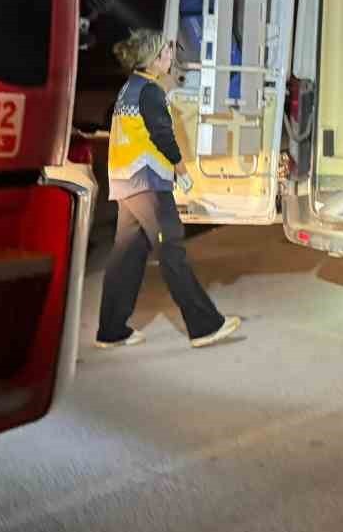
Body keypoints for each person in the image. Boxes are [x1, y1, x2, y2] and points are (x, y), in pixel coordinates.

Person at [95, 28, 242, 350]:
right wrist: (181, 170)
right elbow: (162, 135)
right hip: (147, 183)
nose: (169, 57)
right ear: (151, 58)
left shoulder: (129, 89)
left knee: (127, 256)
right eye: (164, 53)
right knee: (171, 249)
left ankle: (111, 330)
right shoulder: (150, 92)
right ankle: (204, 326)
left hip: (125, 181)